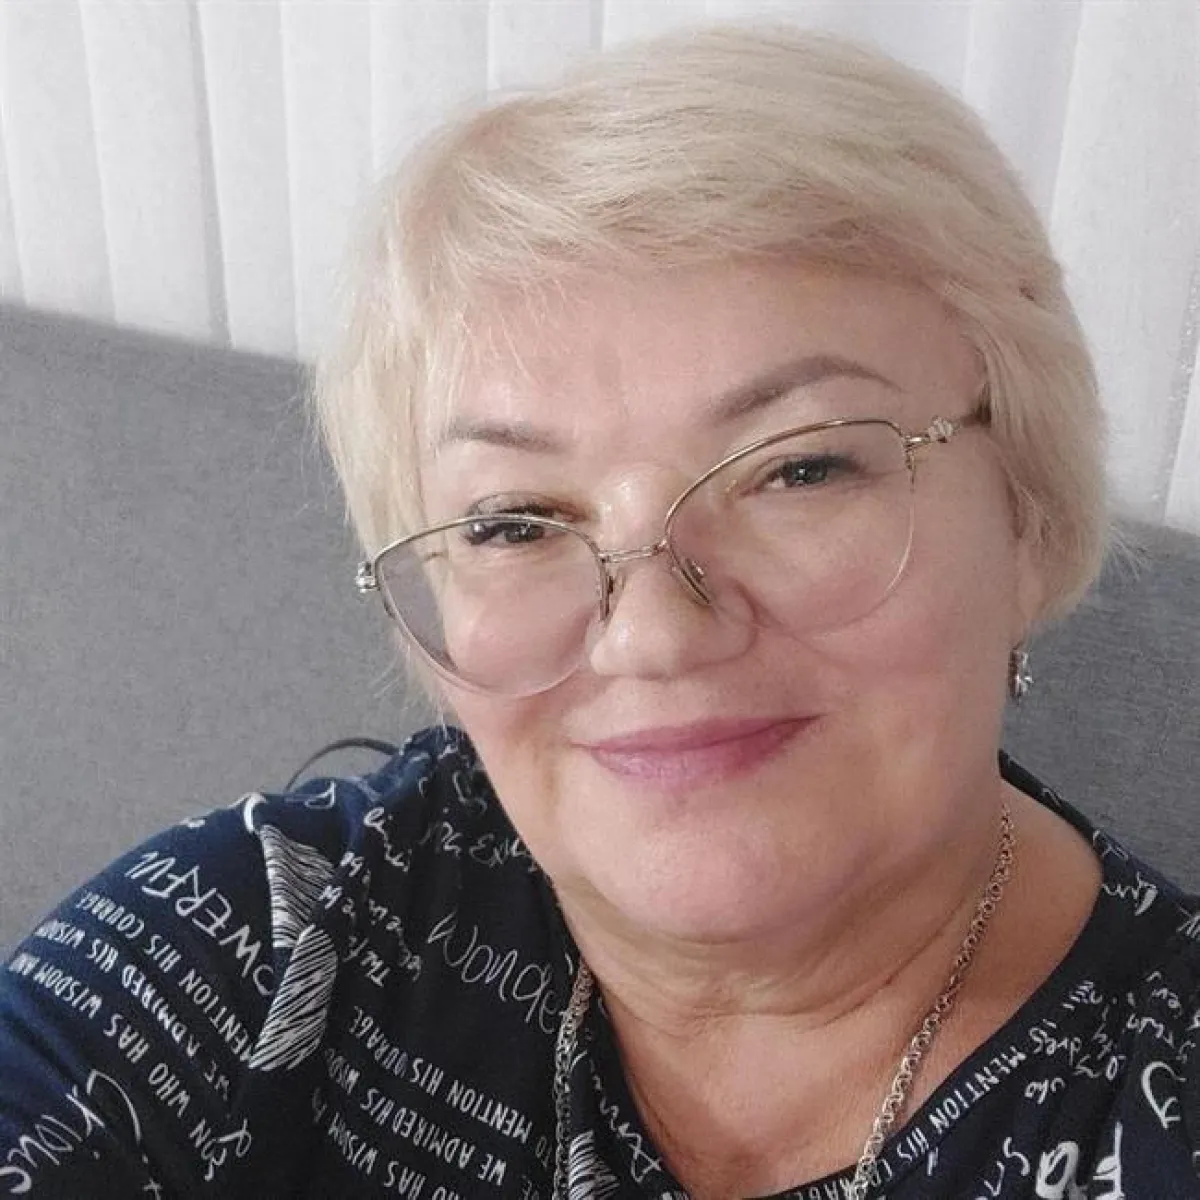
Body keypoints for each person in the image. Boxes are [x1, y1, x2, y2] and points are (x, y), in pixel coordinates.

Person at [2, 23, 1198, 1200]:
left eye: (799, 469)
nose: (653, 635)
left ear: (1032, 516)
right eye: (516, 521)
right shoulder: (264, 939)